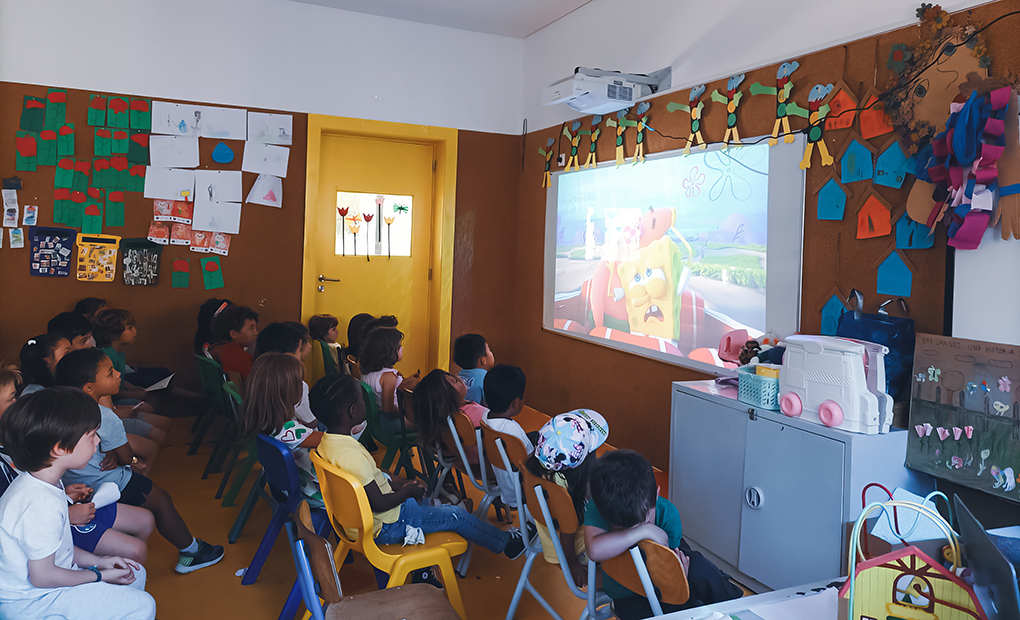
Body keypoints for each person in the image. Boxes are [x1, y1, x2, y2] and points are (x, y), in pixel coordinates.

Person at [310, 374, 525, 559]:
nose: (367, 405)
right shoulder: (352, 454)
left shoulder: (327, 445)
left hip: (365, 522)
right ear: (353, 411)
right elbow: (379, 503)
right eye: (364, 401)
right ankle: (506, 542)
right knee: (455, 517)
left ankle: (440, 508)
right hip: (388, 524)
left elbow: (369, 489)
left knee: (425, 499)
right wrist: (407, 491)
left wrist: (401, 487)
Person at [54, 349, 225, 574]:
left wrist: (113, 453)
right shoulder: (103, 416)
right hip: (112, 482)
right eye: (109, 373)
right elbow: (126, 457)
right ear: (89, 388)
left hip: (76, 487)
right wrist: (127, 458)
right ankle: (191, 552)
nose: (117, 374)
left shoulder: (58, 410)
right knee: (162, 500)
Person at [0, 387, 156, 620]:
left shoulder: (46, 482)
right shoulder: (38, 503)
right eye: (92, 434)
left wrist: (99, 561)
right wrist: (99, 575)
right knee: (143, 606)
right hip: (32, 601)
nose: (98, 440)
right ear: (60, 448)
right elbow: (42, 577)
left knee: (135, 573)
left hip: (47, 583)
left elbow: (61, 550)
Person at [1, 361, 154, 565]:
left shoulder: (17, 441)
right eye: (13, 399)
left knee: (146, 520)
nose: (21, 403)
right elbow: (19, 516)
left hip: (63, 510)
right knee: (135, 550)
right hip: (54, 526)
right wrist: (68, 513)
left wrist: (65, 497)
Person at [585, 450, 742, 619]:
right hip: (629, 597)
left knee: (702, 572)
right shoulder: (601, 506)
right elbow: (594, 551)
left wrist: (679, 575)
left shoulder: (668, 514)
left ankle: (738, 608)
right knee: (686, 608)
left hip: (662, 581)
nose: (639, 528)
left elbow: (671, 570)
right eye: (627, 527)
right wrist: (644, 530)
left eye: (644, 521)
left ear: (657, 494)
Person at [524, 410, 608, 587]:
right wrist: (571, 564)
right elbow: (568, 531)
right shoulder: (565, 490)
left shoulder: (534, 469)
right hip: (573, 553)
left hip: (550, 543)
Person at [239, 353, 324, 508]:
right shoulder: (289, 431)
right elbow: (334, 441)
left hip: (284, 488)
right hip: (311, 495)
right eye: (300, 383)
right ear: (290, 391)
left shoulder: (264, 421)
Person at [482, 364, 533, 508]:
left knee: (534, 436)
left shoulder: (486, 416)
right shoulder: (513, 432)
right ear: (516, 402)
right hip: (519, 490)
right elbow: (531, 462)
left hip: (504, 478)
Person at [413, 369, 487, 466]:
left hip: (463, 460)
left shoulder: (446, 418)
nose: (459, 378)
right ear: (447, 398)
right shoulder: (468, 416)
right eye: (454, 380)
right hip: (489, 464)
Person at [253, 322, 317, 427]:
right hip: (294, 437)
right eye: (307, 341)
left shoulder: (258, 375)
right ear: (298, 347)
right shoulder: (296, 384)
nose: (309, 346)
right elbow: (310, 422)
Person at [359, 327, 417, 434]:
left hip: (376, 420)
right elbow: (388, 409)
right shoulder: (388, 377)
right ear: (389, 352)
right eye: (399, 346)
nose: (402, 349)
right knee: (429, 422)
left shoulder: (366, 372)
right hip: (389, 422)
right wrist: (406, 409)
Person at [208, 305, 259, 380]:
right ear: (233, 334)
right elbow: (253, 385)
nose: (256, 333)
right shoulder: (244, 359)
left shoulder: (215, 348)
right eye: (251, 328)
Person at [453, 334, 495, 406]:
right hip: (479, 416)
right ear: (483, 360)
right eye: (489, 350)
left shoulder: (457, 378)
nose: (491, 353)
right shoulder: (487, 378)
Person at [308, 314, 344, 378]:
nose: (337, 332)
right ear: (321, 332)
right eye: (333, 329)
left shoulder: (335, 345)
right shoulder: (323, 346)